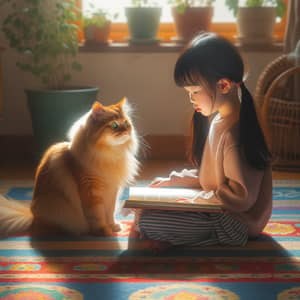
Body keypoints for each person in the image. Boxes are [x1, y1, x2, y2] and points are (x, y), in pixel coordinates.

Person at [137, 32, 273, 252]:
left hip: (237, 223)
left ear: (224, 85)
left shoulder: (234, 136)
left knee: (149, 222)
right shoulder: (220, 121)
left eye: (195, 91)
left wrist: (193, 202)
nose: (191, 99)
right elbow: (213, 180)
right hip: (219, 209)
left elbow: (241, 199)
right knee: (144, 210)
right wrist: (173, 182)